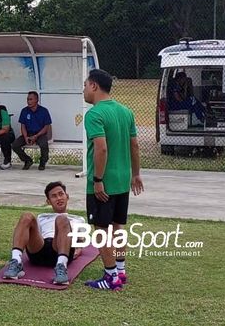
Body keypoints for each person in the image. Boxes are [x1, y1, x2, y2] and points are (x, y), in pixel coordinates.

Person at [82, 68, 144, 290]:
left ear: (94, 86)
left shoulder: (94, 114)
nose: (84, 90)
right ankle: (120, 271)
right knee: (117, 227)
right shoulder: (126, 111)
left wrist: (97, 179)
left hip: (104, 182)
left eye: (85, 85)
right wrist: (136, 174)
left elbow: (101, 149)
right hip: (122, 179)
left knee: (100, 229)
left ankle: (110, 277)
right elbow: (134, 145)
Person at [2, 181, 85, 285]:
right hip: (40, 249)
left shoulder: (78, 219)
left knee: (62, 219)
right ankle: (16, 262)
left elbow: (81, 243)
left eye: (61, 194)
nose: (59, 198)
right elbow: (33, 236)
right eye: (54, 196)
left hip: (61, 250)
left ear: (67, 196)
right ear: (48, 201)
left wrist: (78, 250)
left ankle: (61, 267)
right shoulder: (42, 217)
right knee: (27, 216)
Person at [11, 91, 52, 170]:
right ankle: (27, 160)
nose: (28, 102)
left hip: (40, 134)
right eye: (27, 99)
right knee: (15, 145)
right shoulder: (24, 111)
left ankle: (42, 162)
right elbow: (23, 125)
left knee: (44, 144)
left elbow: (46, 126)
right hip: (28, 133)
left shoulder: (44, 111)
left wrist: (36, 136)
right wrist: (26, 137)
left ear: (37, 100)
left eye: (31, 99)